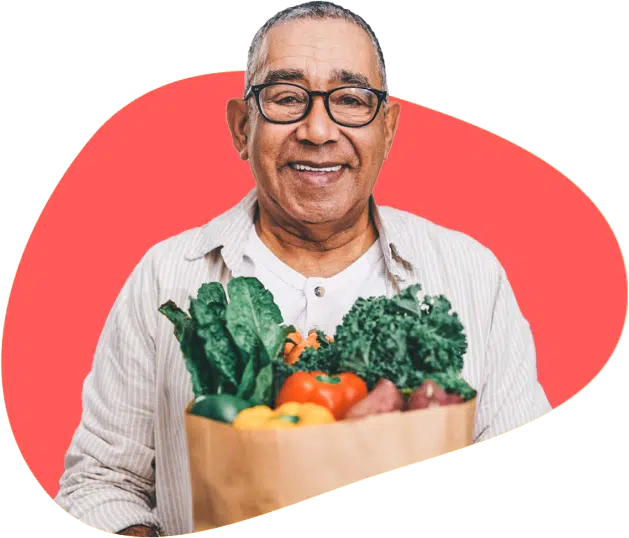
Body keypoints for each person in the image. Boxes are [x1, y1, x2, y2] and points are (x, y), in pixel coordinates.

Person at [53, 1, 552, 536]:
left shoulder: (471, 275)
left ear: (388, 127)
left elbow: (526, 481)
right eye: (287, 98)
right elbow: (100, 484)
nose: (318, 130)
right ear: (241, 126)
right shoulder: (166, 278)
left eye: (351, 100)